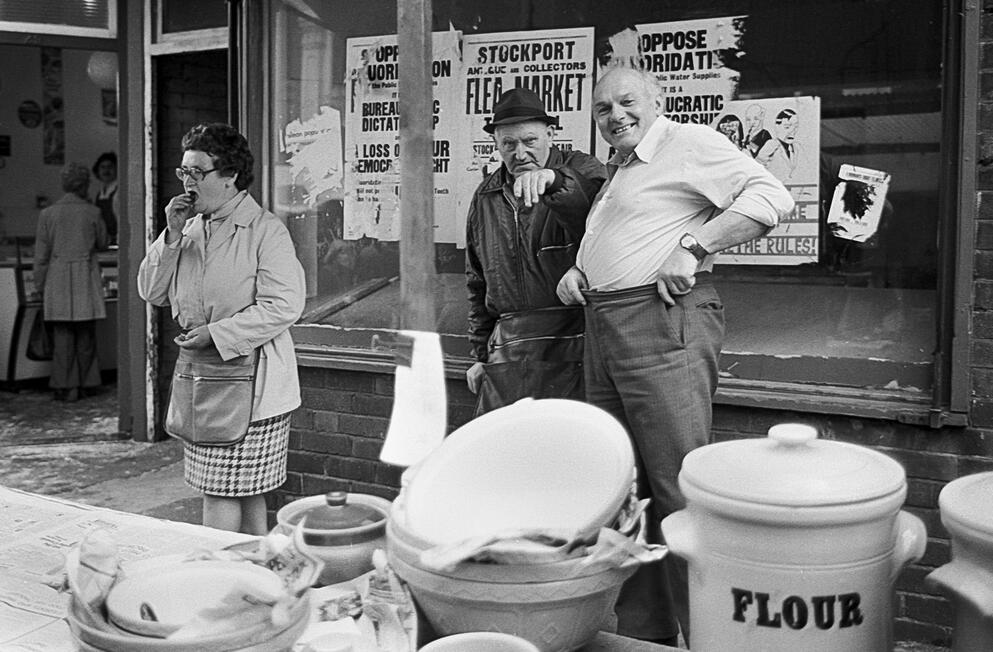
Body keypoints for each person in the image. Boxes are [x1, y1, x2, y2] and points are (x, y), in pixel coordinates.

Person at [556, 65, 794, 646]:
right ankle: (649, 638)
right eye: (604, 109)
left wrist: (695, 246)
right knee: (625, 490)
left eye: (627, 102)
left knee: (678, 490)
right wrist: (579, 270)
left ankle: (708, 636)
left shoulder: (687, 144)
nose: (616, 116)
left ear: (657, 101)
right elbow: (630, 238)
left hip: (662, 325)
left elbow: (772, 197)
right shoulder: (620, 170)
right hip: (607, 328)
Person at [137, 123, 305, 534]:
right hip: (204, 379)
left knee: (224, 492)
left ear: (229, 176)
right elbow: (152, 291)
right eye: (184, 172)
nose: (188, 183)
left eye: (198, 172)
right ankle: (254, 578)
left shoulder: (265, 231)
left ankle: (221, 576)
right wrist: (171, 237)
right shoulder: (190, 229)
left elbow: (284, 305)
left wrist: (217, 333)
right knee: (241, 493)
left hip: (254, 384)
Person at [465, 87, 607, 415]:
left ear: (550, 134)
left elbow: (591, 205)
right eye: (508, 144)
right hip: (509, 346)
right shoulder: (485, 196)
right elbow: (477, 283)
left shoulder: (582, 168)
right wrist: (480, 357)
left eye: (530, 141)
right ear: (496, 145)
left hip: (575, 338)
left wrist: (556, 181)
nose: (520, 153)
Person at [34, 162, 110, 402]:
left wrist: (39, 286)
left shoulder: (47, 214)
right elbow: (103, 242)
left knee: (62, 336)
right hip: (84, 275)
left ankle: (65, 386)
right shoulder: (93, 212)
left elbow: (41, 255)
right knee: (86, 335)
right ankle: (88, 383)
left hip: (57, 278)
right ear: (85, 184)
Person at [91, 152, 119, 244]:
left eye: (110, 167)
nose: (106, 171)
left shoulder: (119, 191)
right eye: (103, 167)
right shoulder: (100, 193)